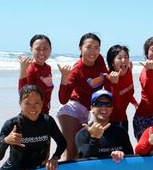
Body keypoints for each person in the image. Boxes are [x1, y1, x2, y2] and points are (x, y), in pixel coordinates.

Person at [0, 85, 67, 170]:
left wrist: (55, 158)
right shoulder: (12, 124)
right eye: (27, 103)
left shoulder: (47, 122)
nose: (33, 108)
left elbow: (62, 143)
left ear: (42, 103)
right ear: (20, 103)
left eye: (36, 103)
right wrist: (5, 141)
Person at [57, 33, 108, 161]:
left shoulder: (99, 60)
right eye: (89, 47)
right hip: (74, 109)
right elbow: (63, 100)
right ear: (80, 48)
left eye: (97, 47)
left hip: (92, 109)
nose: (93, 51)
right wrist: (64, 78)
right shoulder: (76, 70)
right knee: (72, 152)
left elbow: (106, 78)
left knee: (87, 151)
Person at [75, 89, 134, 162]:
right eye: (99, 104)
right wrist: (94, 138)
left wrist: (122, 155)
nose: (104, 107)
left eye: (108, 104)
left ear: (112, 109)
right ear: (92, 108)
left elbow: (132, 159)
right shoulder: (83, 134)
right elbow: (84, 161)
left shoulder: (121, 132)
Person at [104, 45, 138, 132]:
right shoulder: (109, 78)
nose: (124, 60)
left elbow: (127, 91)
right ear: (112, 63)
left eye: (126, 57)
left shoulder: (128, 71)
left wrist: (134, 103)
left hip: (123, 118)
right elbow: (116, 107)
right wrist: (114, 84)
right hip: (110, 121)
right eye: (119, 58)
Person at [19, 34, 54, 114]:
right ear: (31, 49)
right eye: (38, 49)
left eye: (45, 49)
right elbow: (22, 94)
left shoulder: (48, 68)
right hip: (33, 115)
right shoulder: (30, 69)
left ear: (50, 50)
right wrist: (23, 70)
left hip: (44, 114)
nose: (42, 52)